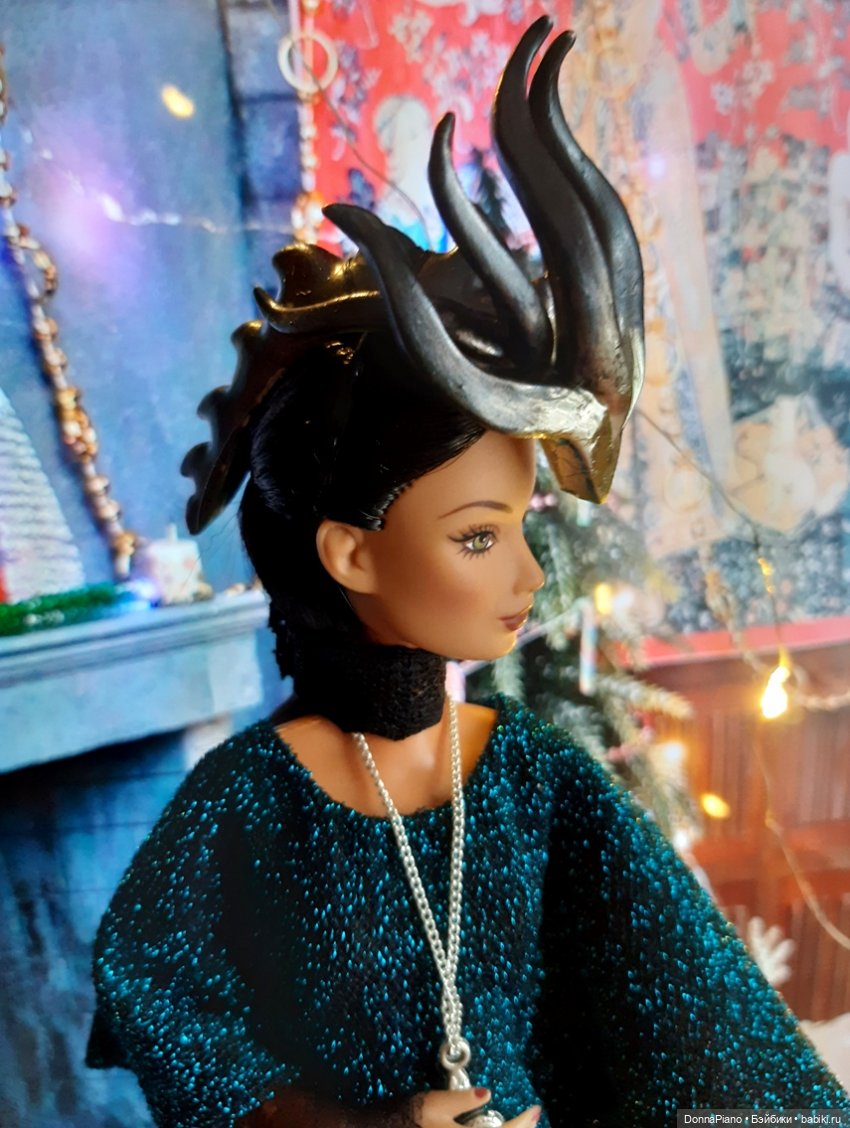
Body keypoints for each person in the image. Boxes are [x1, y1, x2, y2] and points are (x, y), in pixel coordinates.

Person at [85, 19, 848, 1128]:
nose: (528, 573)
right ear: (350, 552)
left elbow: (706, 1015)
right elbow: (157, 1000)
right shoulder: (248, 801)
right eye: (479, 536)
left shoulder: (536, 778)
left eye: (520, 525)